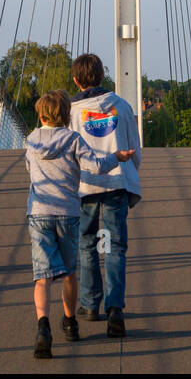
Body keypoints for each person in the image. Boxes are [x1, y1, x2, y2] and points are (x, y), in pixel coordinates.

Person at [25, 89, 135, 360]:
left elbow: (29, 168)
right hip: (68, 212)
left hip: (39, 213)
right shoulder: (74, 139)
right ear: (66, 116)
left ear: (40, 115)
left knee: (42, 277)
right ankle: (70, 322)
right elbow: (96, 166)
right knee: (69, 273)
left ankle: (43, 327)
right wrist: (117, 157)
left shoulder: (32, 140)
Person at [69, 53, 142, 338]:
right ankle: (115, 309)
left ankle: (89, 304)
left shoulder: (71, 112)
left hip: (84, 186)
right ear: (103, 77)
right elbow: (134, 148)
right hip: (116, 185)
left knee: (86, 243)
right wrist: (128, 174)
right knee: (115, 246)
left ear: (76, 80)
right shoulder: (122, 106)